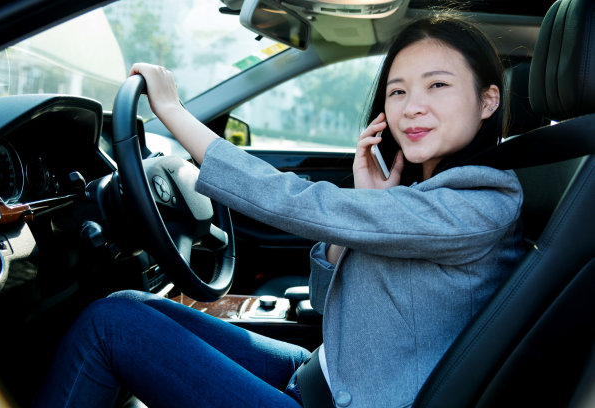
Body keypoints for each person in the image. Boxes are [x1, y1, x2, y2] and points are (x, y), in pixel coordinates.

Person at [33, 13, 525, 408]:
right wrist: (363, 214)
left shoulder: (479, 203)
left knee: (110, 326)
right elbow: (328, 300)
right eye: (397, 90)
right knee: (131, 307)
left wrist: (175, 113)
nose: (411, 107)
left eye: (437, 85)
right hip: (324, 375)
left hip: (350, 397)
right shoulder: (425, 197)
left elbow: (296, 201)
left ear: (488, 101)